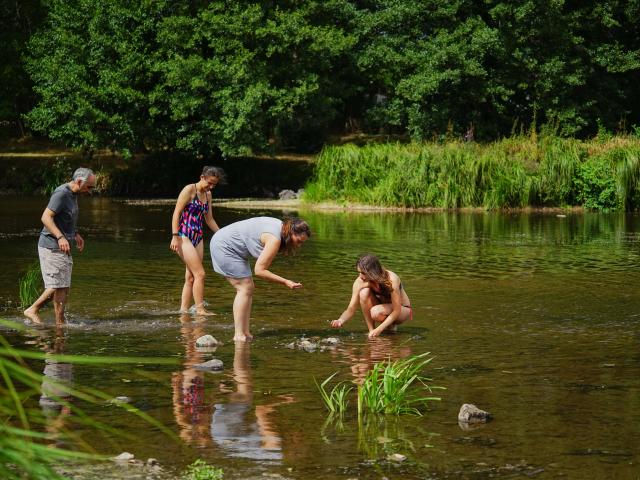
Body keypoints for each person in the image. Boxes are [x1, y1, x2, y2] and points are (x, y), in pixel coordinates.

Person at [210, 217, 311, 341]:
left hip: (225, 242)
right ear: (291, 232)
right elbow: (259, 270)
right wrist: (285, 281)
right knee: (244, 288)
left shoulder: (282, 227)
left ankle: (245, 332)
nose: (299, 245)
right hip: (224, 246)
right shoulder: (275, 239)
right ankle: (239, 335)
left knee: (248, 288)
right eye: (299, 241)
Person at [23, 167, 96, 325]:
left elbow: (64, 218)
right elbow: (46, 217)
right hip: (51, 245)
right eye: (89, 186)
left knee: (62, 286)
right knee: (58, 285)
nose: (90, 191)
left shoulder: (74, 194)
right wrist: (61, 237)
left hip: (62, 246)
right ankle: (36, 312)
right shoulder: (62, 193)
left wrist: (74, 233)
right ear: (78, 181)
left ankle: (59, 323)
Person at [170, 166, 225, 315]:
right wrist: (175, 236)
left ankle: (183, 311)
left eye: (214, 184)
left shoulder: (208, 195)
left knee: (191, 277)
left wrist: (222, 234)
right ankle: (200, 309)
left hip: (198, 237)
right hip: (183, 236)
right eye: (209, 183)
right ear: (202, 177)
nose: (211, 187)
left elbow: (209, 219)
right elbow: (176, 213)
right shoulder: (189, 190)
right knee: (200, 274)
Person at [331, 254, 412, 339]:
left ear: (373, 272)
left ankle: (390, 328)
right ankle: (371, 331)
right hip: (383, 308)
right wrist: (340, 320)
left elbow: (396, 310)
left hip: (402, 310)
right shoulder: (359, 282)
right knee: (363, 293)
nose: (360, 277)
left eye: (363, 273)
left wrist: (379, 330)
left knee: (375, 312)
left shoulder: (392, 279)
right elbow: (351, 308)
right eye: (359, 272)